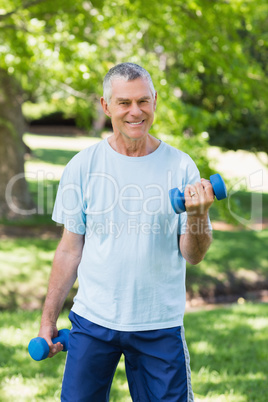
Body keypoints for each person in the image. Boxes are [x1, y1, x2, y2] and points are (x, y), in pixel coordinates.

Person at [38, 62, 214, 401]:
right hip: (93, 322)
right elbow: (69, 249)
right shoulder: (83, 166)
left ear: (155, 102)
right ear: (106, 106)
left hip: (158, 324)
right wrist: (48, 321)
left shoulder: (181, 166)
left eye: (143, 101)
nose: (136, 111)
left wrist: (197, 216)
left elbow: (194, 255)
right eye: (124, 103)